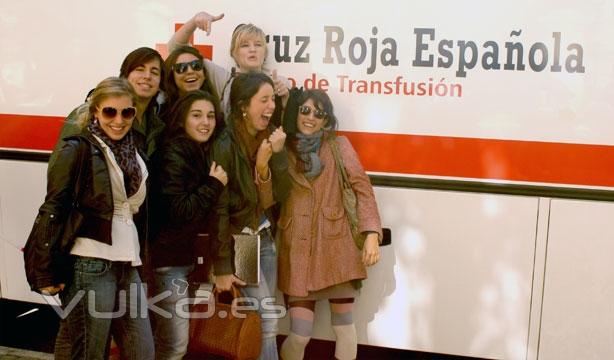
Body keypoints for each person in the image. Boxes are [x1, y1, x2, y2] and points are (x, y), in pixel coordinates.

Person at [23, 77, 154, 360]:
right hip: (89, 262)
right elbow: (54, 206)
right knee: (90, 353)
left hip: (127, 262)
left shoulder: (135, 150)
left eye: (126, 112)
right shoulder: (77, 147)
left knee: (142, 351)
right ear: (95, 111)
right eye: (110, 112)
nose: (118, 120)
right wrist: (45, 270)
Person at [277, 90, 382, 360]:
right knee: (299, 335)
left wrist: (371, 233)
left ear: (326, 120)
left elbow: (362, 189)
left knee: (345, 329)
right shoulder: (283, 147)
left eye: (319, 113)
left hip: (337, 249)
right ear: (296, 112)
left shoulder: (339, 146)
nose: (311, 117)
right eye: (305, 110)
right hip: (297, 251)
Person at [211, 72, 291, 360]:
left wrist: (269, 161)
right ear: (244, 105)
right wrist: (221, 265)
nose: (271, 106)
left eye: (273, 99)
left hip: (265, 236)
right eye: (264, 100)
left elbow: (276, 196)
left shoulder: (268, 139)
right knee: (266, 320)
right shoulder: (225, 143)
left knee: (264, 319)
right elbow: (219, 208)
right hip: (242, 241)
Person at [149, 90, 227, 360]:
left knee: (176, 340)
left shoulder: (201, 150)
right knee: (174, 344)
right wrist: (214, 185)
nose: (205, 122)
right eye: (197, 115)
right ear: (182, 120)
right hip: (172, 262)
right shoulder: (175, 152)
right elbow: (180, 210)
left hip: (191, 260)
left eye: (210, 116)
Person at [49, 47, 165, 168]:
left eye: (154, 72)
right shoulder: (87, 113)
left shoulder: (156, 125)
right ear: (125, 75)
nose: (147, 76)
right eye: (140, 69)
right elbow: (59, 170)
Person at [168, 11, 290, 120]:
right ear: (234, 53)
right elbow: (177, 49)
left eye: (258, 44)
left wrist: (284, 98)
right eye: (245, 45)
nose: (252, 49)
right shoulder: (224, 80)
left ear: (265, 52)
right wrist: (194, 21)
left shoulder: (280, 83)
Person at [160, 45, 221, 119]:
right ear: (172, 77)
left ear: (204, 74)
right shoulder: (160, 112)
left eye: (196, 65)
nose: (190, 71)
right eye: (181, 68)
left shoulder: (216, 109)